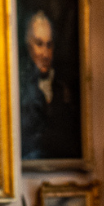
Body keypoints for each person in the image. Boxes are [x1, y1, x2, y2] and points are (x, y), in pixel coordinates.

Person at [19, 9, 79, 162]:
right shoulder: (20, 88)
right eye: (39, 44)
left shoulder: (63, 89)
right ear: (28, 45)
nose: (45, 54)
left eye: (49, 45)